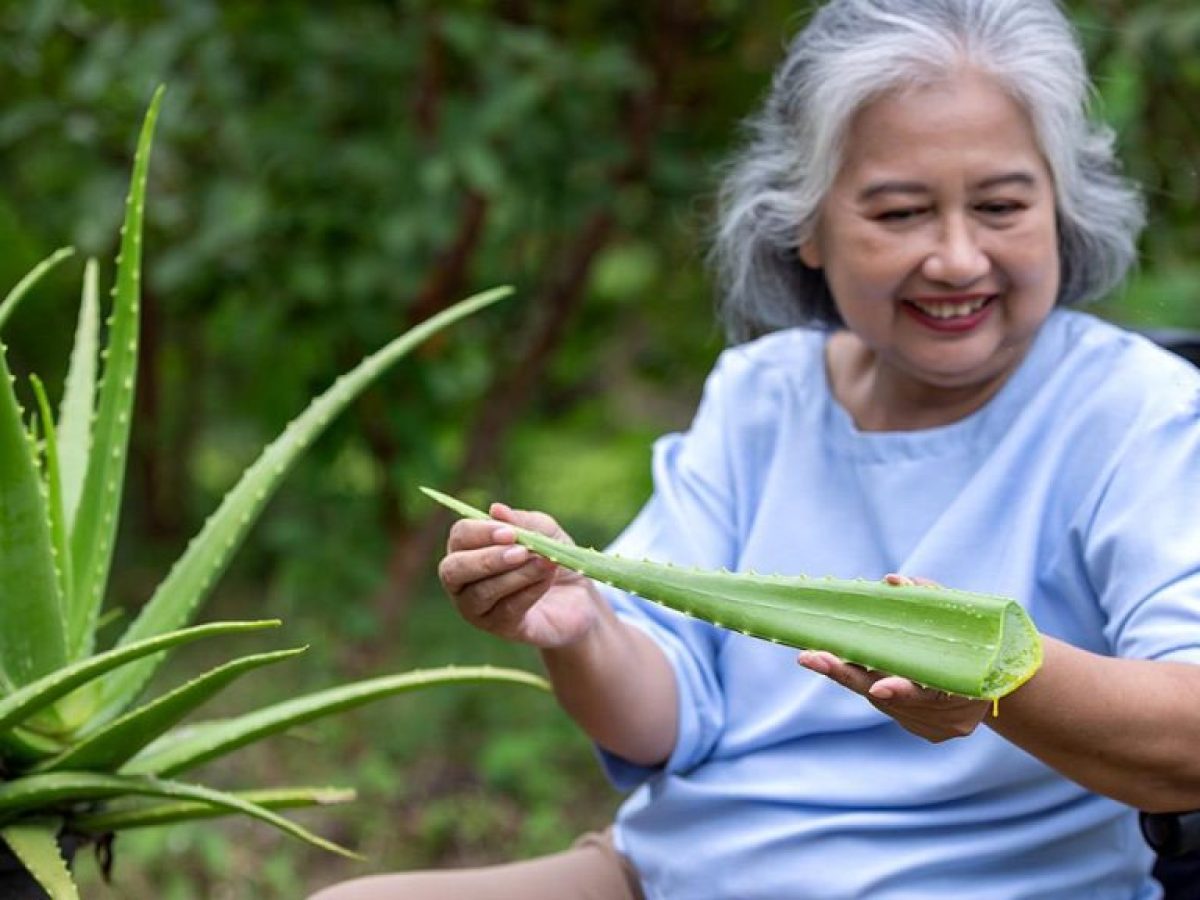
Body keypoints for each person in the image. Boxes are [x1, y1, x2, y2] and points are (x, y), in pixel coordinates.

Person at [310, 1, 1200, 897]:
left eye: (1003, 206)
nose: (959, 258)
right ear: (805, 225)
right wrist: (580, 629)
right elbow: (661, 722)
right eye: (900, 214)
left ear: (1062, 208)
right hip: (678, 872)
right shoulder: (760, 396)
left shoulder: (1135, 413)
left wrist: (999, 681)